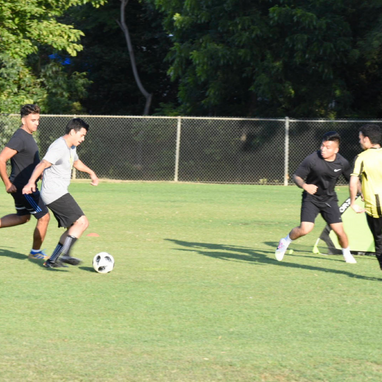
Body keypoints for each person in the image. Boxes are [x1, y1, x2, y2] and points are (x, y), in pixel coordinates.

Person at [23, 118, 99, 268]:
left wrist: (92, 173)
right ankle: (66, 254)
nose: (83, 139)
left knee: (73, 227)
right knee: (82, 222)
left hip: (57, 192)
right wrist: (31, 182)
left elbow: (76, 162)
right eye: (82, 135)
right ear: (72, 132)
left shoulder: (71, 146)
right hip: (54, 192)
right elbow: (43, 163)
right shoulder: (59, 146)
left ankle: (52, 261)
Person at [275, 131, 357, 264]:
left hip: (329, 200)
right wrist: (305, 186)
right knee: (305, 229)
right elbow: (297, 176)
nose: (323, 149)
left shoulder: (342, 163)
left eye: (328, 147)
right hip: (311, 199)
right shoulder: (312, 159)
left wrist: (363, 192)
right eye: (322, 146)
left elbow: (352, 181)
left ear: (336, 150)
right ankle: (285, 241)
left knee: (339, 231)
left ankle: (346, 254)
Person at [0, 104, 50, 260]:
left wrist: (38, 173)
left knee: (23, 217)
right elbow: (1, 159)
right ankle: (35, 253)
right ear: (23, 120)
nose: (36, 123)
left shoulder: (27, 136)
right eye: (33, 120)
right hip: (24, 187)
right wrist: (7, 183)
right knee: (44, 217)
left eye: (37, 120)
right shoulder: (20, 137)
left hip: (24, 185)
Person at [349, 124, 382, 270]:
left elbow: (353, 181)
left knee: (380, 241)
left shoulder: (362, 157)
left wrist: (352, 203)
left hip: (376, 206)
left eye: (360, 138)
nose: (359, 141)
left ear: (367, 139)